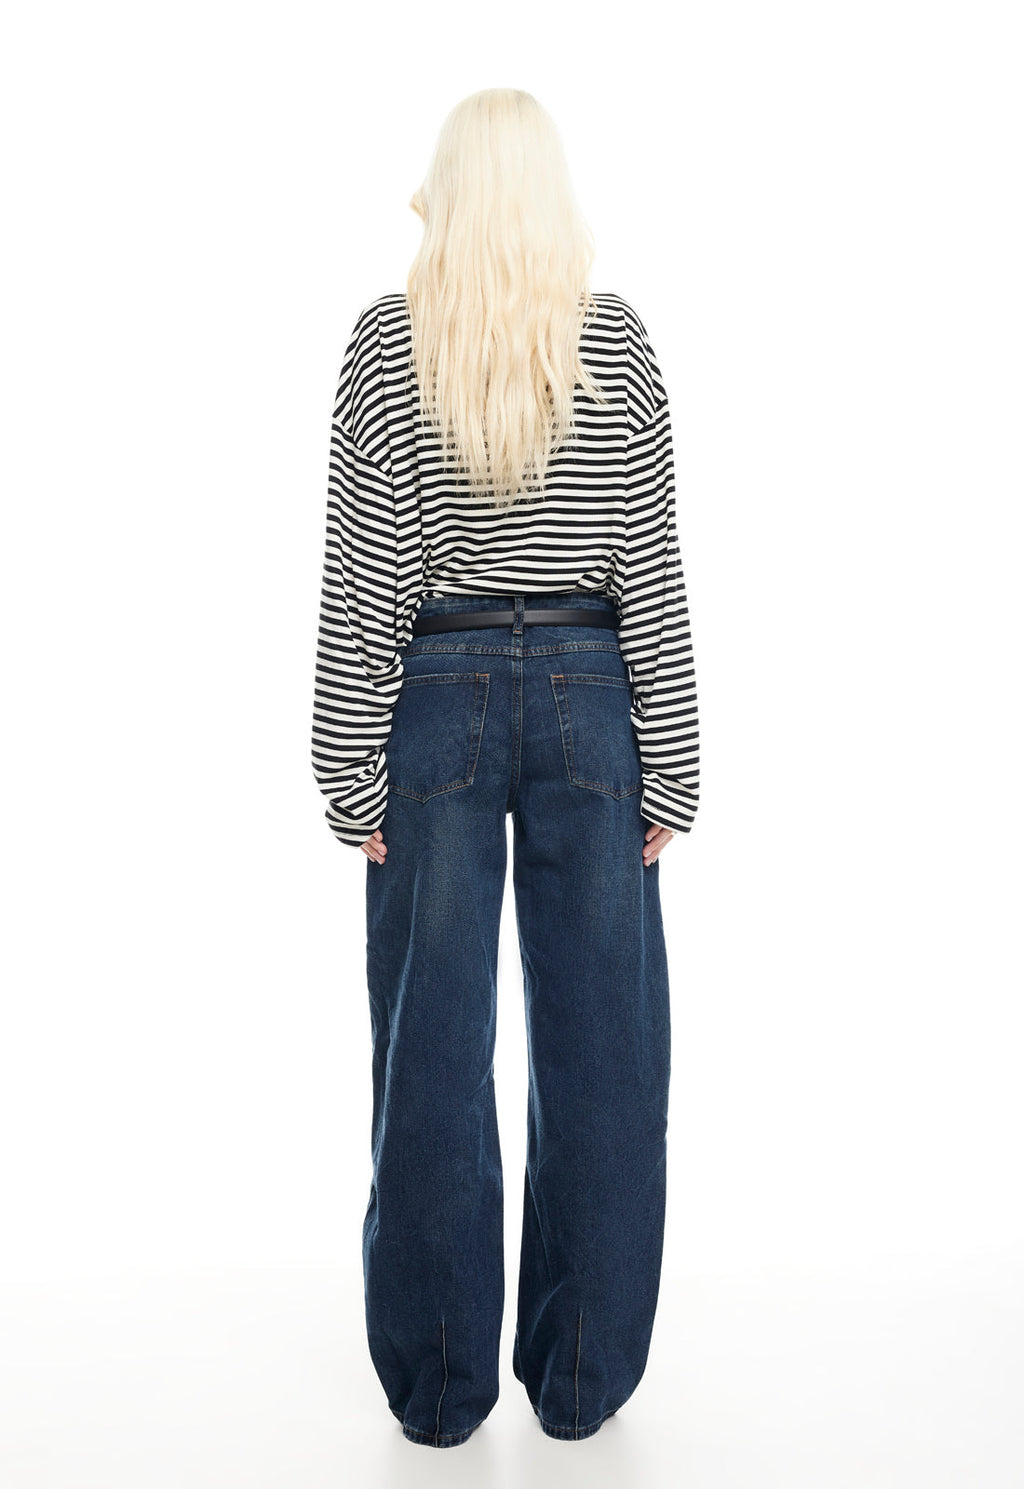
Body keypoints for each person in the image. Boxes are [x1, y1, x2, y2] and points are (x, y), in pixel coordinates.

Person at [311, 88, 700, 1448]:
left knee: (429, 1047)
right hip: (596, 698)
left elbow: (364, 573)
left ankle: (438, 1387)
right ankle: (582, 1377)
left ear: (448, 193)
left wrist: (347, 768)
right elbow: (648, 563)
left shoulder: (387, 344)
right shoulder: (616, 341)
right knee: (605, 1050)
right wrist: (674, 762)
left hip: (435, 696)